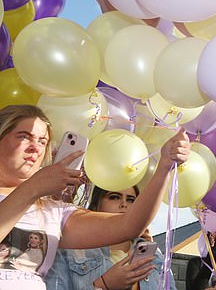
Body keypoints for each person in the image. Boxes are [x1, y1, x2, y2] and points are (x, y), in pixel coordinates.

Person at [0, 104, 190, 289]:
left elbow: (129, 225)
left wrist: (164, 166)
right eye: (24, 137)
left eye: (42, 141)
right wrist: (34, 187)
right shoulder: (35, 190)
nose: (35, 148)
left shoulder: (53, 211)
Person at [45, 185, 175, 289]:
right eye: (114, 197)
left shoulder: (155, 256)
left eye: (131, 200)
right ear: (96, 206)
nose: (124, 204)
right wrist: (103, 285)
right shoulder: (69, 252)